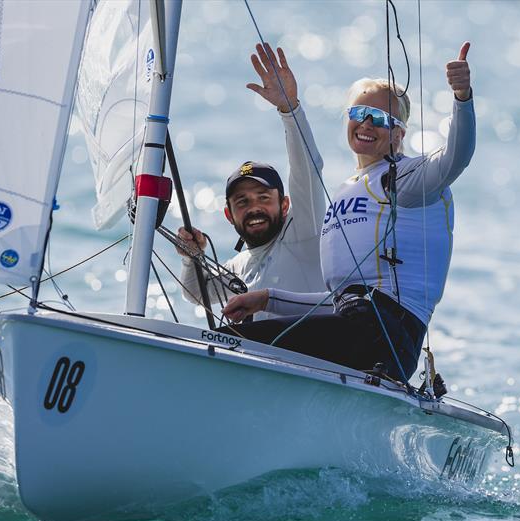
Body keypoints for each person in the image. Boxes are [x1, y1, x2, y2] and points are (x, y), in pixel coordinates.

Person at [221, 43, 476, 383]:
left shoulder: (409, 179)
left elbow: (455, 158)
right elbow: (336, 303)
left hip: (386, 333)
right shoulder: (346, 190)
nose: (366, 124)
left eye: (381, 119)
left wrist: (462, 97)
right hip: (358, 327)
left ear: (399, 134)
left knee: (231, 344)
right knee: (232, 338)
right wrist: (267, 299)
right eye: (358, 114)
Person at [177, 43, 326, 320]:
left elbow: (307, 169)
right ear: (229, 215)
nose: (254, 208)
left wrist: (289, 109)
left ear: (284, 205)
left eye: (263, 198)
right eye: (242, 202)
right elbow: (196, 292)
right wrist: (191, 256)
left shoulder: (305, 232)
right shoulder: (239, 265)